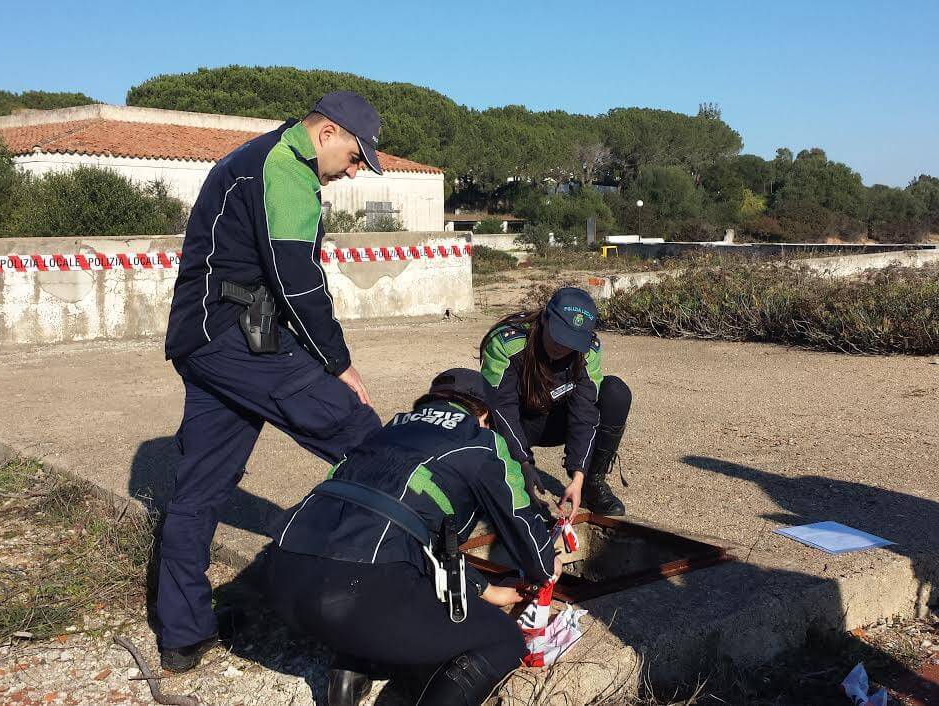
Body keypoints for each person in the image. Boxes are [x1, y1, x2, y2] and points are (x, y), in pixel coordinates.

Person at [156, 91, 388, 671]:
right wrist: (339, 365)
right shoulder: (284, 169)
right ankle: (387, 590)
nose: (355, 172)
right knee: (366, 438)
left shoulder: (255, 159)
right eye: (358, 158)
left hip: (207, 334)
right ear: (328, 132)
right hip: (234, 331)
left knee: (201, 487)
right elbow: (299, 283)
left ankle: (183, 635)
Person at [265, 368, 561, 706]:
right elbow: (520, 524)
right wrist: (546, 563)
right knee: (503, 639)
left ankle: (349, 669)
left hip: (283, 579)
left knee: (386, 557)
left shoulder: (384, 432)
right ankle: (357, 656)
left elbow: (413, 537)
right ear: (484, 415)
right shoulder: (481, 441)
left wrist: (489, 590)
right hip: (359, 594)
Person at [479, 287, 632, 517]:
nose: (562, 347)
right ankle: (506, 480)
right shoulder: (507, 342)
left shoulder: (588, 351)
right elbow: (501, 409)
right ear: (544, 319)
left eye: (572, 341)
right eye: (559, 335)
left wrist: (578, 474)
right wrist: (523, 466)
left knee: (615, 392)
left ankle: (593, 483)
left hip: (558, 421)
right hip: (520, 422)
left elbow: (585, 413)